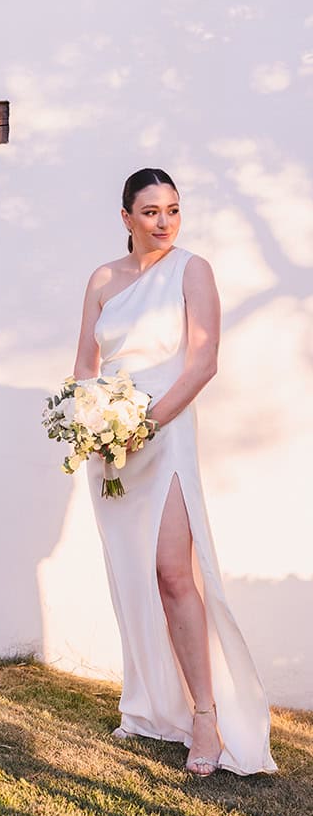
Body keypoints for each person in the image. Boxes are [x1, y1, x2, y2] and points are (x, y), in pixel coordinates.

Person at [73, 167, 277, 777]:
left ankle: (207, 718)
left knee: (172, 574)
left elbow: (203, 362)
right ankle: (152, 707)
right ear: (126, 217)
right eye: (151, 212)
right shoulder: (103, 279)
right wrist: (91, 422)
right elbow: (86, 360)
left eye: (173, 210)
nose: (164, 222)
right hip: (111, 440)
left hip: (165, 430)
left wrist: (146, 424)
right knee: (132, 574)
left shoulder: (193, 270)